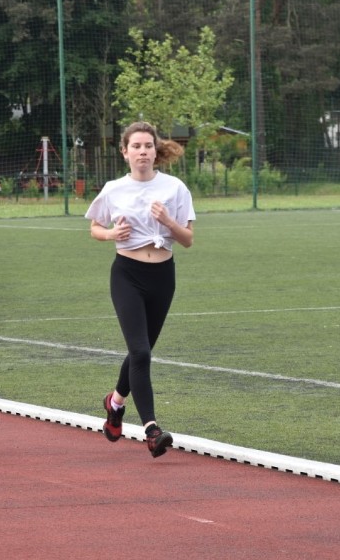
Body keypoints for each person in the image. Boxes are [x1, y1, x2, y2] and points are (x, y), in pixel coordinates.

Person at [85, 121, 195, 458]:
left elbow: (187, 239)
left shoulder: (175, 188)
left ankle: (115, 402)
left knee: (140, 351)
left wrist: (168, 222)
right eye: (136, 146)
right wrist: (110, 235)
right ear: (125, 151)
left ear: (155, 150)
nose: (143, 152)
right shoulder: (114, 188)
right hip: (127, 274)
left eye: (148, 145)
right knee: (142, 352)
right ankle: (151, 429)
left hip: (163, 275)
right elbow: (94, 227)